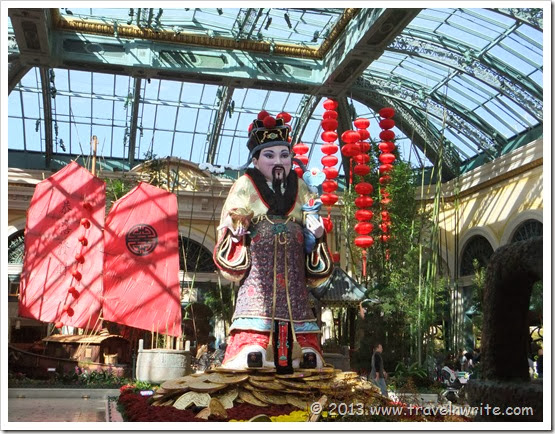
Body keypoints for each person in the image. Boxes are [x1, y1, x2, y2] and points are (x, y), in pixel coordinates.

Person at [214, 110, 332, 370]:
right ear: (256, 160)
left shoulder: (300, 186)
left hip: (294, 279)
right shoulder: (245, 184)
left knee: (308, 352)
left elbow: (312, 222)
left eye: (284, 155)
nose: (278, 162)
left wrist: (317, 236)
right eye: (269, 155)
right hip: (259, 283)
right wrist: (237, 233)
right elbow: (232, 218)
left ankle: (303, 349)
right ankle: (253, 345)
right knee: (252, 347)